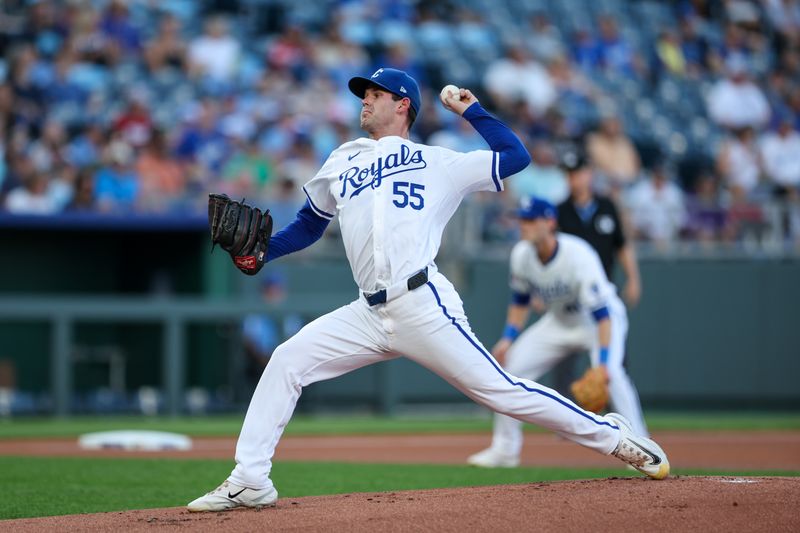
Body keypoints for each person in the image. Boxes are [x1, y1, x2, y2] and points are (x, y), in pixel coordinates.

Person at [187, 68, 669, 512]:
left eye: (375, 95)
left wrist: (471, 111)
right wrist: (266, 251)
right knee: (287, 361)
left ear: (403, 105)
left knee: (501, 392)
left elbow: (515, 157)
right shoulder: (344, 158)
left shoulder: (439, 162)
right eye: (364, 95)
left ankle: (613, 436)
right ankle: (250, 478)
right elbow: (311, 224)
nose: (365, 102)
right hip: (367, 313)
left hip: (422, 303)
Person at [467, 197, 650, 468]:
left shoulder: (578, 255)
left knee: (611, 377)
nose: (524, 225)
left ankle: (641, 445)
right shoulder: (522, 254)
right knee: (511, 369)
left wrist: (601, 363)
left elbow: (602, 316)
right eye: (522, 219)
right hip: (560, 321)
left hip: (599, 322)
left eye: (531, 220)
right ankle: (505, 450)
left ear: (550, 222)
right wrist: (508, 338)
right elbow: (520, 301)